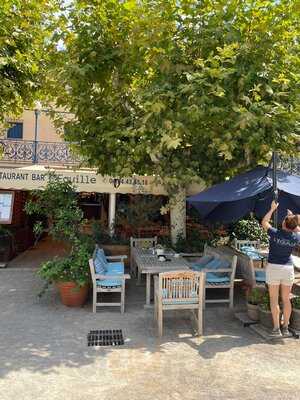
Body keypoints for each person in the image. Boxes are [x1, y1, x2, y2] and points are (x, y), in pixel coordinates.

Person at [262, 201, 300, 337]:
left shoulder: (275, 233)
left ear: (283, 224)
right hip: (288, 268)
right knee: (286, 299)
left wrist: (272, 209)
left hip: (274, 267)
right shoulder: (296, 237)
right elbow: (297, 229)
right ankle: (285, 328)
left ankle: (276, 329)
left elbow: (264, 222)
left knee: (274, 299)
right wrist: (293, 220)